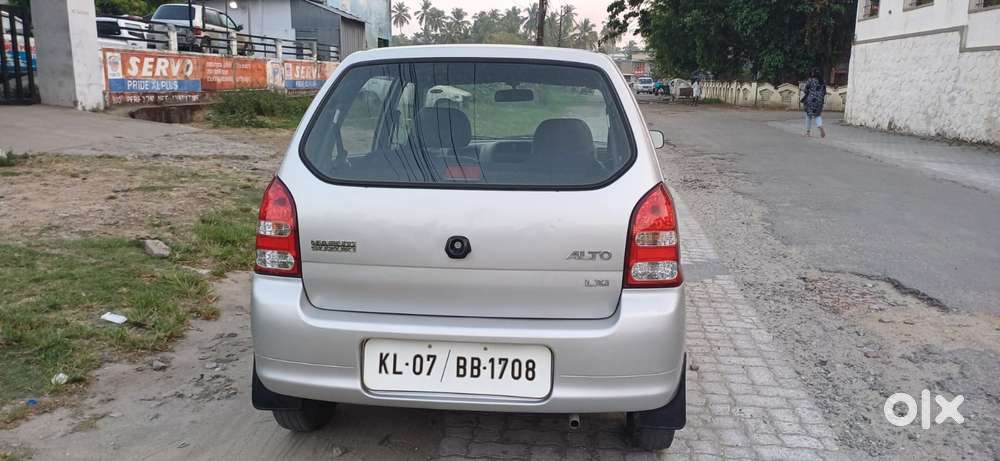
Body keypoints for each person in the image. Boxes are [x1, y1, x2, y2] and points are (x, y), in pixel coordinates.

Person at [802, 68, 827, 138]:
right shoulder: (823, 81)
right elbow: (824, 92)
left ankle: (808, 132)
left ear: (813, 73)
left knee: (808, 115)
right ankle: (820, 126)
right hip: (820, 101)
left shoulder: (810, 80)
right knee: (817, 115)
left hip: (811, 100)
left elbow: (805, 90)